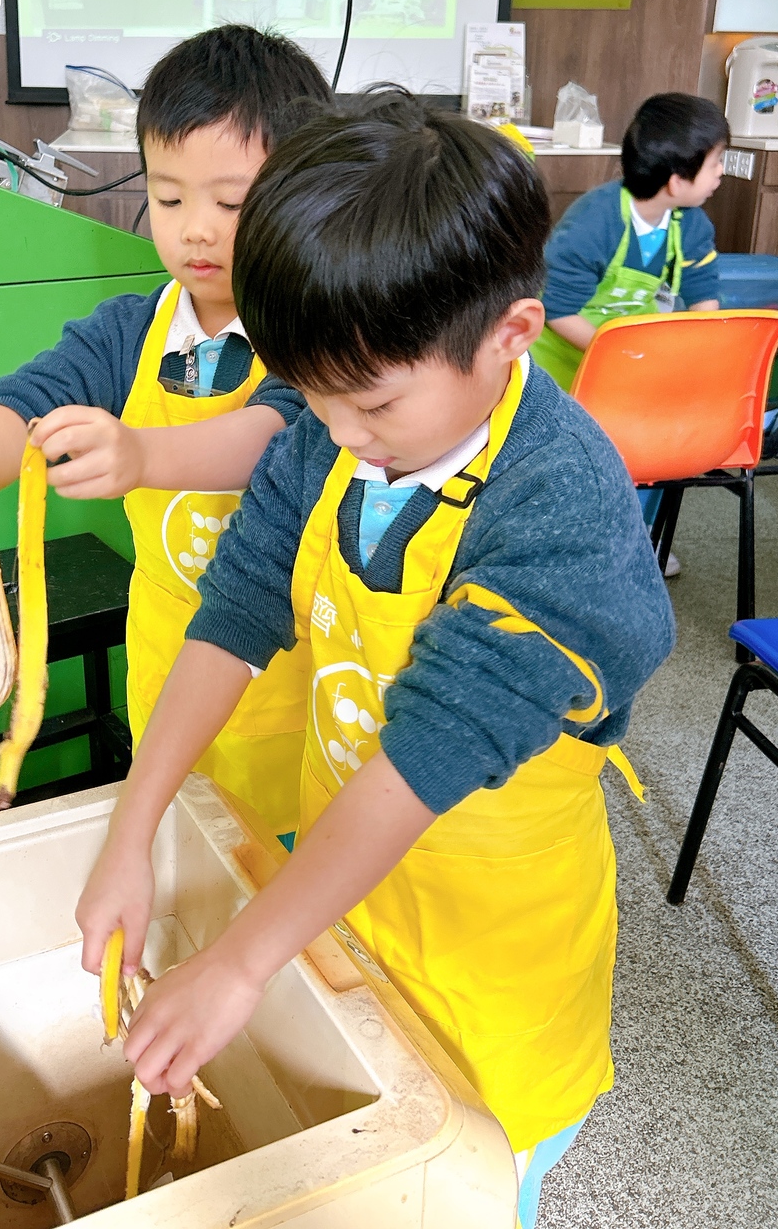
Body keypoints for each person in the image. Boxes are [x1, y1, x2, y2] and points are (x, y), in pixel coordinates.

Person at [76, 92, 676, 1227]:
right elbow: (234, 613)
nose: (338, 433)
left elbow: (423, 759)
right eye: (313, 396)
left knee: (467, 1181)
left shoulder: (562, 514)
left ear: (510, 334)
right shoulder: (332, 432)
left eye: (374, 402)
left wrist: (239, 962)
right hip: (344, 909)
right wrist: (131, 827)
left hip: (492, 957)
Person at [0, 24, 333, 837]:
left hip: (285, 684)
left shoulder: (321, 337)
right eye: (169, 199)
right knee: (182, 844)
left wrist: (143, 453)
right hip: (166, 667)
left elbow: (274, 436)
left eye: (230, 203)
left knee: (278, 866)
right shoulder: (130, 331)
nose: (195, 228)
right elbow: (27, 399)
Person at [531, 91, 728, 393]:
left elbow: (702, 290)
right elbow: (558, 309)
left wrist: (697, 350)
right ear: (676, 182)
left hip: (630, 351)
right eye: (715, 162)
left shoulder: (690, 223)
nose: (721, 171)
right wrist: (616, 355)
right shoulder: (594, 223)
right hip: (561, 361)